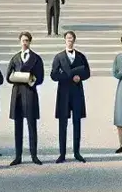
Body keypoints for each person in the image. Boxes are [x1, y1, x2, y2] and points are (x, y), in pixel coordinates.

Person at [51, 31, 90, 163]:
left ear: (74, 40)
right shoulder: (59, 57)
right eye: (68, 38)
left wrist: (80, 77)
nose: (70, 40)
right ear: (65, 40)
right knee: (63, 123)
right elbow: (53, 75)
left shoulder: (80, 56)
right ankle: (62, 153)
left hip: (77, 92)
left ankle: (77, 152)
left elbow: (87, 72)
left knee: (77, 122)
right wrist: (68, 75)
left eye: (71, 38)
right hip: (63, 93)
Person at [7, 31, 45, 165]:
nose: (25, 43)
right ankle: (18, 156)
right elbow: (8, 76)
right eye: (23, 40)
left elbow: (40, 77)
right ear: (20, 42)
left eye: (27, 41)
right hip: (17, 93)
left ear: (30, 42)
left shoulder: (36, 58)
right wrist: (16, 77)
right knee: (18, 126)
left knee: (31, 125)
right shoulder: (15, 58)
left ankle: (34, 155)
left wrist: (31, 79)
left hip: (30, 93)